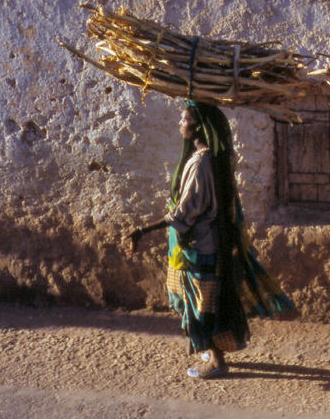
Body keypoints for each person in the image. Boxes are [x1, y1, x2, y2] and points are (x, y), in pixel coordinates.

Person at [124, 100, 293, 378]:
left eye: (184, 119)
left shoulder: (201, 164)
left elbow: (184, 212)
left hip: (201, 247)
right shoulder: (214, 158)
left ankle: (216, 360)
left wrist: (141, 231)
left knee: (201, 304)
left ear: (198, 126)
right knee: (203, 300)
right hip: (210, 244)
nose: (180, 124)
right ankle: (209, 349)